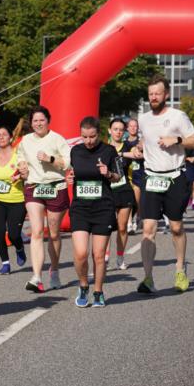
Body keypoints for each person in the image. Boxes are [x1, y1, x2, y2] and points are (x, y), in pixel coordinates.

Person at [128, 75, 194, 294]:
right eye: (150, 94)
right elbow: (147, 139)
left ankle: (180, 270)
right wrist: (138, 148)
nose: (153, 97)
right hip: (151, 178)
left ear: (166, 94)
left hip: (175, 177)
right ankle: (148, 278)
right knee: (148, 229)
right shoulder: (143, 119)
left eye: (157, 94)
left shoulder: (178, 116)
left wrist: (176, 140)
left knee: (176, 227)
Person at [17, 105, 72, 293]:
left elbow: (67, 163)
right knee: (37, 232)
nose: (38, 123)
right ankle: (37, 277)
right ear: (31, 123)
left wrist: (50, 158)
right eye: (35, 121)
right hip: (34, 187)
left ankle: (54, 270)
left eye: (42, 120)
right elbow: (20, 157)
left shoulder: (57, 139)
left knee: (54, 234)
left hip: (56, 187)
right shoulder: (26, 140)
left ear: (48, 121)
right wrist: (22, 166)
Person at [70, 117, 122, 307]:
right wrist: (70, 178)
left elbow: (118, 176)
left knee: (98, 255)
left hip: (103, 208)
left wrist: (108, 174)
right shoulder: (75, 151)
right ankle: (84, 285)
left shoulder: (109, 151)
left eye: (92, 137)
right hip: (80, 208)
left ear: (99, 134)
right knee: (80, 253)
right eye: (84, 137)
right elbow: (73, 172)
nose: (89, 141)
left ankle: (98, 291)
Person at [0, 126, 27, 274]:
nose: (1, 137)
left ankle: (19, 248)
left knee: (13, 234)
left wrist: (21, 176)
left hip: (17, 201)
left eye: (4, 134)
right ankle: (5, 263)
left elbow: (27, 175)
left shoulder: (19, 156)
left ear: (10, 138)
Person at [107, 117, 137, 270]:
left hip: (124, 189)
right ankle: (105, 258)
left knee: (122, 227)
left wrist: (122, 154)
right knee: (105, 227)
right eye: (115, 129)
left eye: (121, 130)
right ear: (109, 130)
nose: (118, 132)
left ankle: (120, 257)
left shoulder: (128, 146)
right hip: (107, 191)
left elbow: (138, 155)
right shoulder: (104, 147)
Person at [126, 117, 144, 234]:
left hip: (139, 173)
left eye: (135, 126)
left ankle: (137, 216)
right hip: (127, 174)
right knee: (128, 199)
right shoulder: (124, 143)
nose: (133, 128)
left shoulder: (141, 142)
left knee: (137, 199)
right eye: (131, 126)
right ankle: (129, 223)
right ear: (127, 128)